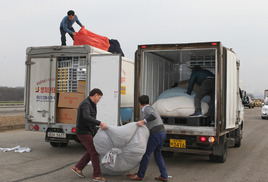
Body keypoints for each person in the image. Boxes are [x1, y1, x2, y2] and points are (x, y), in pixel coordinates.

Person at [127, 95, 168, 181]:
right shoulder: (150, 108)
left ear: (139, 103)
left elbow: (153, 116)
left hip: (156, 134)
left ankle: (140, 175)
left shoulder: (147, 108)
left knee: (146, 154)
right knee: (158, 155)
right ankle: (164, 176)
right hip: (162, 133)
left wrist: (143, 121)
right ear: (149, 102)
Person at [72, 88, 107, 182]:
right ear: (95, 95)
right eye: (99, 98)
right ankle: (97, 175)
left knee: (91, 150)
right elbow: (86, 117)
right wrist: (100, 123)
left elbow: (91, 119)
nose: (99, 100)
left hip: (88, 131)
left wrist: (96, 132)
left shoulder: (92, 104)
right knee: (94, 151)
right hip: (83, 132)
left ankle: (78, 167)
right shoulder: (85, 104)